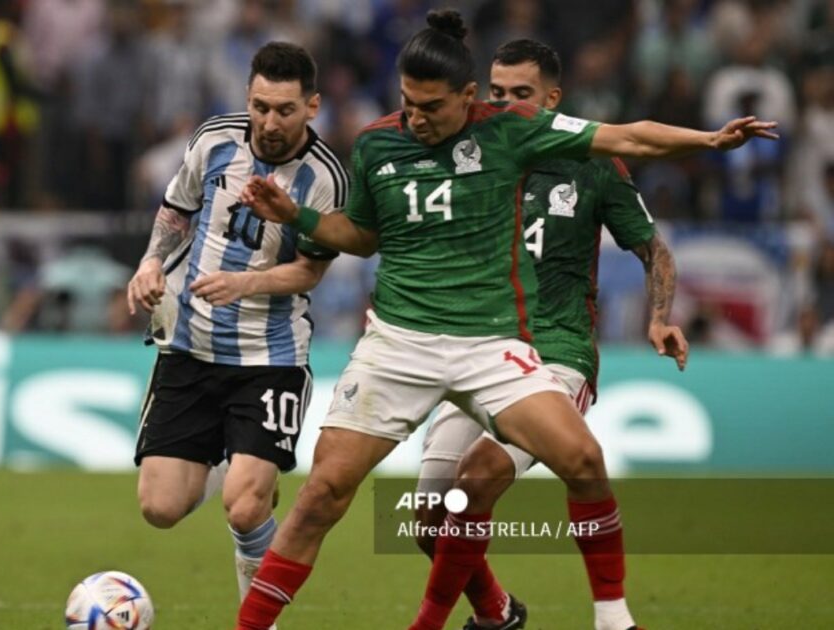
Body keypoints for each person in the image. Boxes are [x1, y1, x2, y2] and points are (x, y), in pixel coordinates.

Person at [234, 10, 775, 630]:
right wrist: (296, 215)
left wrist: (708, 141)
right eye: (407, 102)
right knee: (324, 495)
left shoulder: (513, 133)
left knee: (583, 460)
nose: (416, 117)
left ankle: (614, 619)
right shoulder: (379, 144)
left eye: (431, 106)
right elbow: (359, 235)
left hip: (492, 344)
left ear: (467, 98)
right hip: (397, 343)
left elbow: (630, 137)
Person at [413, 38, 686, 630]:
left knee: (478, 478)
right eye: (497, 93)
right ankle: (497, 613)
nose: (506, 105)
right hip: (479, 350)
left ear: (553, 99)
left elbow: (653, 249)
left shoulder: (591, 163)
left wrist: (660, 316)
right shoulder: (466, 153)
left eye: (522, 94)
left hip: (555, 355)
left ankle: (608, 617)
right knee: (429, 520)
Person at [126, 41, 347, 620]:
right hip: (190, 346)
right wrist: (150, 263)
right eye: (260, 106)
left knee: (246, 508)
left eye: (284, 110)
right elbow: (177, 210)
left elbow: (312, 271)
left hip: (269, 355)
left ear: (312, 106)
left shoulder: (324, 179)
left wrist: (244, 284)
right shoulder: (215, 139)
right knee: (160, 507)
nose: (269, 122)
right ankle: (237, 460)